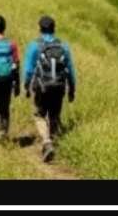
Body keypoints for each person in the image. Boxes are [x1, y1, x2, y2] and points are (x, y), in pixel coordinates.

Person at [22, 14, 77, 162]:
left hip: (42, 86)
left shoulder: (35, 45)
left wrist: (26, 86)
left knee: (39, 115)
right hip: (59, 86)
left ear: (40, 29)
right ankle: (53, 143)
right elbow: (70, 69)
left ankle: (47, 142)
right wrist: (72, 89)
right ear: (54, 29)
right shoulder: (63, 46)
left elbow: (28, 69)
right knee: (54, 115)